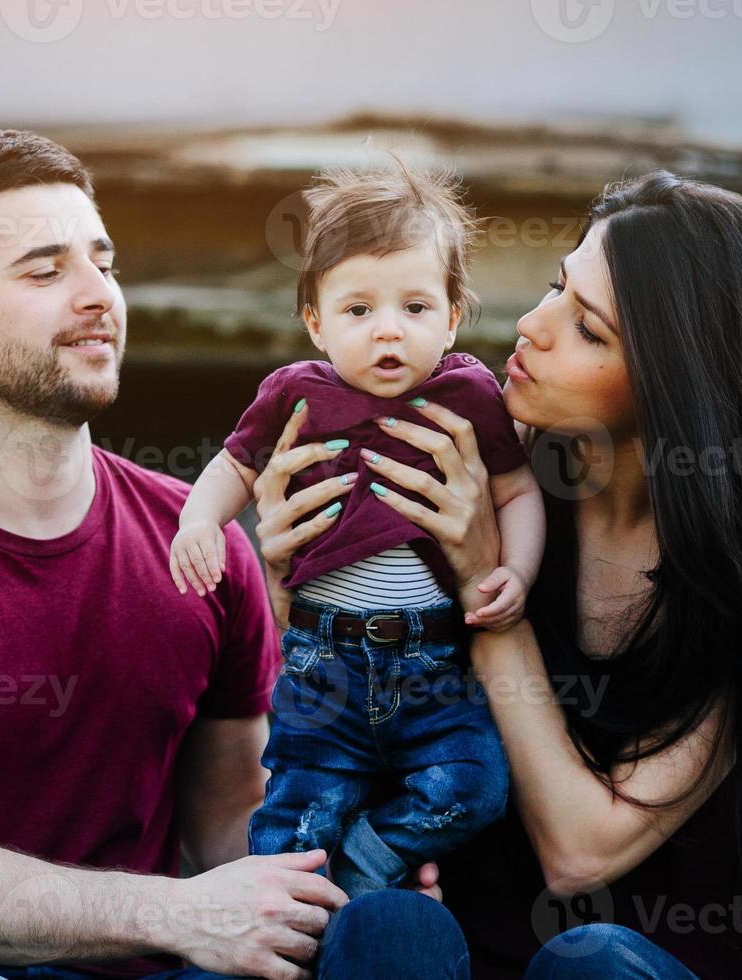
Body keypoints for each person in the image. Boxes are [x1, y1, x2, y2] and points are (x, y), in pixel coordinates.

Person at [0, 130, 466, 980]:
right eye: (45, 270)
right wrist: (176, 913)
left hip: (147, 966)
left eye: (104, 262)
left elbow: (228, 830)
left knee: (392, 934)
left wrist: (361, 855)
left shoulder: (201, 549)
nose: (99, 294)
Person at [250, 171, 742, 979]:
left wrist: (489, 592)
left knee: (588, 963)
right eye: (557, 285)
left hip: (640, 967)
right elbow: (348, 703)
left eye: (586, 327)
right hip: (470, 956)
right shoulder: (494, 477)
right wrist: (294, 574)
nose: (529, 325)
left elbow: (580, 853)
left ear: (680, 385)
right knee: (387, 928)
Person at [170, 163, 543, 898]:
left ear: (453, 316)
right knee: (298, 815)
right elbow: (236, 467)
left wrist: (518, 574)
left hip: (434, 660)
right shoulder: (295, 393)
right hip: (322, 664)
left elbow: (518, 489)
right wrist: (196, 519)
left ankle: (369, 863)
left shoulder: (467, 394)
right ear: (314, 321)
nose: (388, 333)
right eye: (358, 311)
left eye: (414, 307)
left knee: (473, 787)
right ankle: (294, 918)